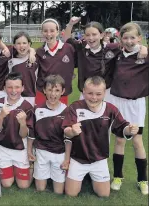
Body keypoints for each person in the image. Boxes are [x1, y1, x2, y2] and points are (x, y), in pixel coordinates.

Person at [62, 76, 139, 197]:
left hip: (99, 159)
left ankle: (91, 176)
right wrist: (72, 131)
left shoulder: (110, 109)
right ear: (83, 92)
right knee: (71, 194)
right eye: (90, 93)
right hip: (78, 159)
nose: (94, 97)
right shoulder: (75, 107)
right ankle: (81, 175)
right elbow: (66, 131)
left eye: (98, 94)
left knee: (104, 195)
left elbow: (122, 127)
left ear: (104, 94)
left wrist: (129, 129)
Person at [107, 22, 148, 195]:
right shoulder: (117, 52)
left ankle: (143, 180)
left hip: (135, 103)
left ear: (139, 37)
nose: (129, 41)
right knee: (120, 140)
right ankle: (117, 176)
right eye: (126, 38)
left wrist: (146, 48)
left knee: (137, 142)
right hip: (117, 101)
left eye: (133, 37)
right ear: (120, 39)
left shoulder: (144, 54)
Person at [64, 17, 147, 100]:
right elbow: (67, 40)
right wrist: (70, 24)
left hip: (106, 94)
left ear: (101, 35)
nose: (91, 38)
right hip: (86, 92)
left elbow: (129, 45)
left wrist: (143, 47)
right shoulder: (81, 47)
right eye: (88, 35)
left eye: (94, 34)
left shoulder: (112, 48)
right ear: (84, 36)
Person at [0, 72, 34, 189]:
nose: (13, 90)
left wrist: (23, 123)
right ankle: (11, 169)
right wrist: (1, 116)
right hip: (4, 148)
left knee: (23, 186)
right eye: (10, 87)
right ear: (4, 88)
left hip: (20, 148)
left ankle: (30, 166)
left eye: (17, 87)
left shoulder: (27, 106)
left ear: (23, 88)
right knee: (6, 184)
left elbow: (24, 135)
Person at [27, 74, 69, 194]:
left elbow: (69, 138)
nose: (53, 94)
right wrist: (29, 151)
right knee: (40, 189)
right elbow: (31, 133)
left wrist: (66, 158)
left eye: (57, 90)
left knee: (59, 192)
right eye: (50, 90)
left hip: (59, 153)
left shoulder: (67, 111)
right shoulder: (37, 109)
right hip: (41, 152)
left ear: (63, 91)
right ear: (44, 90)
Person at [35, 18, 76, 106]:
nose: (48, 34)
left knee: (60, 118)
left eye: (52, 30)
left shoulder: (69, 48)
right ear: (42, 32)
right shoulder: (39, 51)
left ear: (58, 32)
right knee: (41, 118)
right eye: (45, 31)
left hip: (61, 93)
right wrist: (31, 51)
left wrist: (70, 25)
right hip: (43, 93)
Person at [6, 31, 38, 105]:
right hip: (14, 96)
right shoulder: (10, 60)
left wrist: (32, 52)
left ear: (29, 44)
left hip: (31, 97)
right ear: (14, 45)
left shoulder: (35, 59)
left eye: (24, 43)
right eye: (18, 43)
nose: (21, 46)